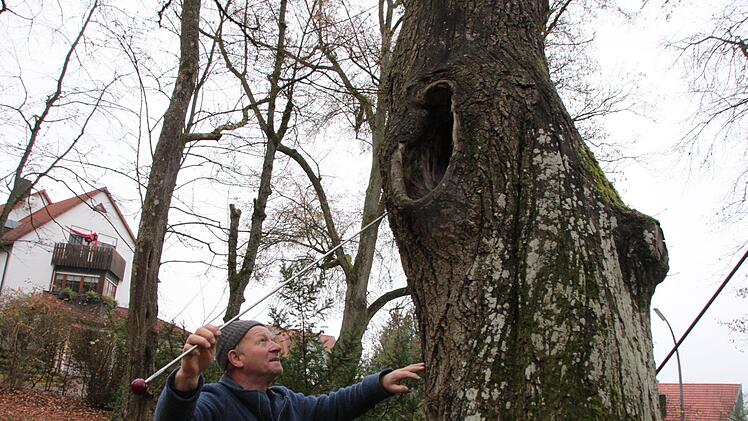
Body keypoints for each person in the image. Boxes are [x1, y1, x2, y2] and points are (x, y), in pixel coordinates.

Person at [154, 319, 425, 421]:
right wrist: (187, 377)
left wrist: (380, 384)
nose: (276, 347)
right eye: (263, 340)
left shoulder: (286, 402)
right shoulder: (213, 404)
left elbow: (335, 406)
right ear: (236, 358)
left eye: (274, 339)